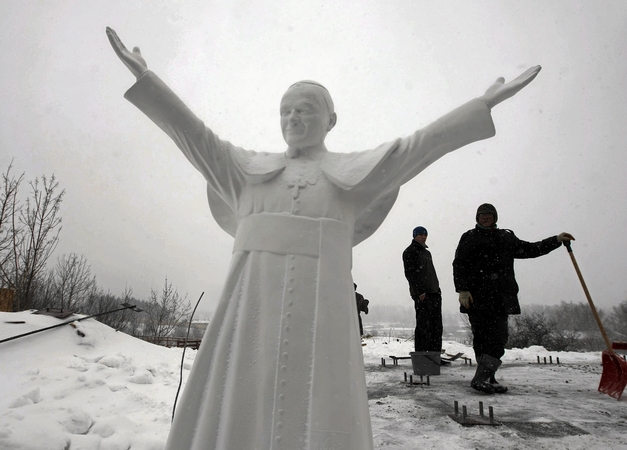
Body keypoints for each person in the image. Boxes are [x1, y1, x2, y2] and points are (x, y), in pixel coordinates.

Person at [106, 26, 542, 450]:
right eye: (286, 110)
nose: (293, 117)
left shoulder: (351, 178)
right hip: (250, 313)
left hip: (322, 316)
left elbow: (419, 146)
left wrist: (479, 106)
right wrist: (148, 80)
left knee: (320, 405)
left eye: (306, 108)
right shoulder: (244, 174)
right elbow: (192, 134)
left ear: (331, 120)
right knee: (238, 403)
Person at [453, 203, 574, 394]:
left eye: (489, 215)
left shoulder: (505, 237)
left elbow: (531, 249)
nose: (485, 218)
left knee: (499, 337)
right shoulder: (470, 237)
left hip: (501, 297)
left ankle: (486, 376)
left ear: (495, 217)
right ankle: (484, 376)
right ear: (477, 218)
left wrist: (556, 240)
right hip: (477, 298)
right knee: (482, 338)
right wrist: (462, 290)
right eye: (482, 215)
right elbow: (459, 264)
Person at [402, 226, 443, 356]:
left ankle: (434, 356)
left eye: (425, 234)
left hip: (434, 293)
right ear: (414, 236)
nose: (423, 236)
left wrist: (437, 289)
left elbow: (431, 273)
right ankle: (422, 356)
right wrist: (420, 292)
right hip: (422, 295)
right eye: (420, 234)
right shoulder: (410, 251)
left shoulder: (426, 252)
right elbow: (410, 274)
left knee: (436, 327)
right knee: (423, 327)